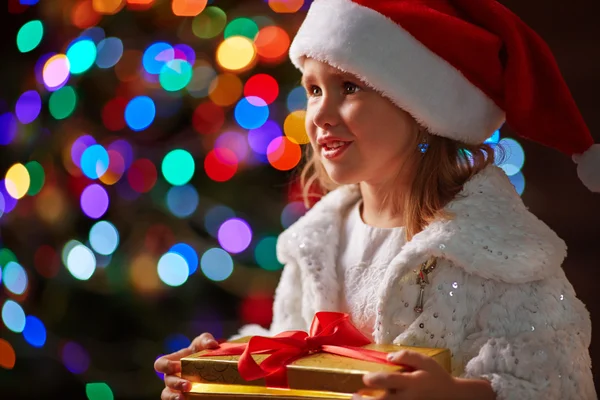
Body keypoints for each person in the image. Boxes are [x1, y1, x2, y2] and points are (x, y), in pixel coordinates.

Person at [155, 0, 599, 399]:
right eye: (313, 90)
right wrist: (219, 370)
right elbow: (288, 351)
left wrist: (456, 395)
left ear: (421, 109)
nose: (321, 116)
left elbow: (558, 385)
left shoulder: (498, 254)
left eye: (349, 87)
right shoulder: (317, 243)